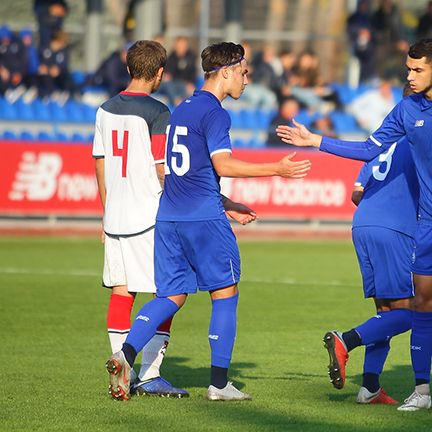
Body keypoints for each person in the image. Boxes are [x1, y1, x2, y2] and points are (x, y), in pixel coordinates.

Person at [106, 41, 312, 402]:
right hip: (204, 220)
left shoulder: (180, 109)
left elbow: (179, 173)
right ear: (227, 71)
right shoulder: (216, 114)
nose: (247, 80)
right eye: (244, 72)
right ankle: (219, 385)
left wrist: (227, 200)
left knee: (171, 295)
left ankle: (124, 355)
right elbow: (224, 165)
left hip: (169, 217)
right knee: (225, 292)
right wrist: (276, 169)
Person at [276, 38, 432, 412]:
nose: (409, 76)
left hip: (377, 223)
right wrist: (316, 139)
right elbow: (367, 148)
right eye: (407, 69)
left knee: (400, 309)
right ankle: (421, 390)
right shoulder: (407, 110)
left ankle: (371, 384)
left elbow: (359, 190)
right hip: (418, 225)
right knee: (419, 307)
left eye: (417, 70)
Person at [92, 40, 188, 398]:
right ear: (159, 73)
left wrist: (105, 213)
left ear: (129, 68)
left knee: (122, 292)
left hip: (114, 217)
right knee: (169, 291)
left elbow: (99, 162)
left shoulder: (103, 109)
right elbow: (164, 168)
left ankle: (122, 366)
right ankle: (147, 373)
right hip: (149, 216)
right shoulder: (159, 112)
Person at [324, 135, 418, 404]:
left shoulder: (382, 146)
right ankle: (347, 339)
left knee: (384, 313)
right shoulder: (421, 141)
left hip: (363, 224)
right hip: (395, 228)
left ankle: (370, 387)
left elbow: (356, 193)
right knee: (410, 312)